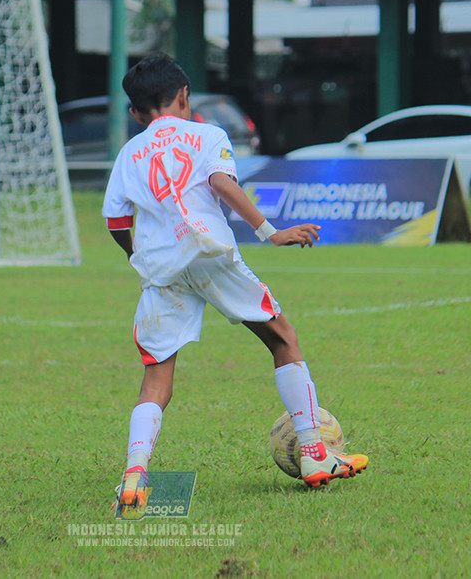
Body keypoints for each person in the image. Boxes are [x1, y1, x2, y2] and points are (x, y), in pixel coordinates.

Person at [102, 54, 368, 513]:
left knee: (156, 380)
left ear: (135, 113)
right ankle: (314, 454)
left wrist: (138, 258)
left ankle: (134, 476)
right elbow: (221, 182)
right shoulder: (208, 134)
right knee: (282, 338)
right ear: (185, 97)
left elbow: (115, 220)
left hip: (162, 271)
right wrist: (271, 231)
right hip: (210, 254)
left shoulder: (129, 154)